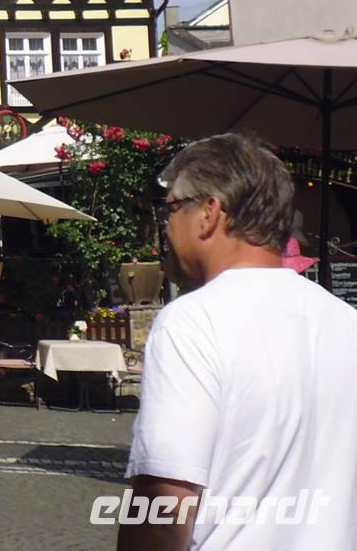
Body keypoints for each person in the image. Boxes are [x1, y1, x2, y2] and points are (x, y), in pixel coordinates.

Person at [121, 133, 357, 550]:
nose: (167, 225)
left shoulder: (193, 323)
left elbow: (165, 509)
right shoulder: (346, 322)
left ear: (209, 213)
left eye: (170, 208)